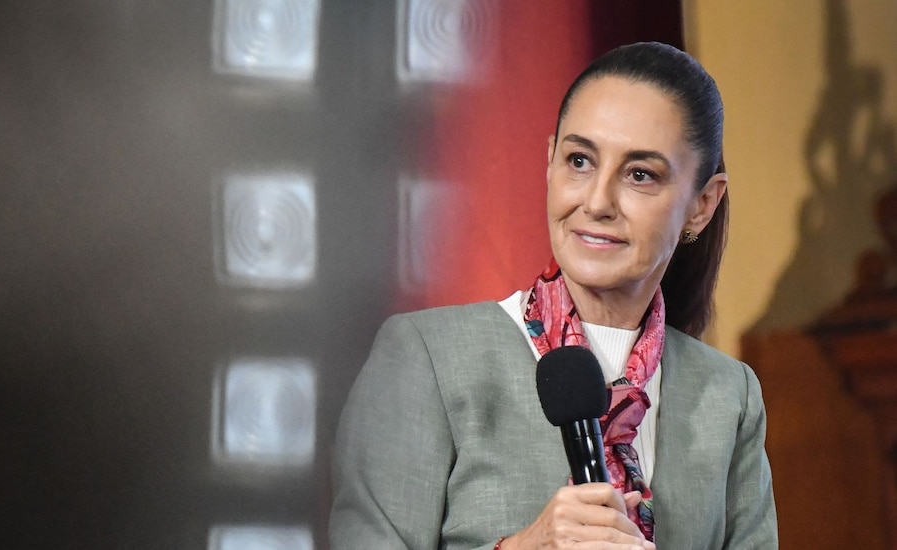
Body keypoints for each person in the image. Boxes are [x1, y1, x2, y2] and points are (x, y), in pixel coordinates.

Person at [329, 42, 777, 549]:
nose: (598, 202)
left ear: (702, 204)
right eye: (580, 161)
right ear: (550, 162)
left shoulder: (728, 396)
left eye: (640, 175)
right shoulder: (426, 357)